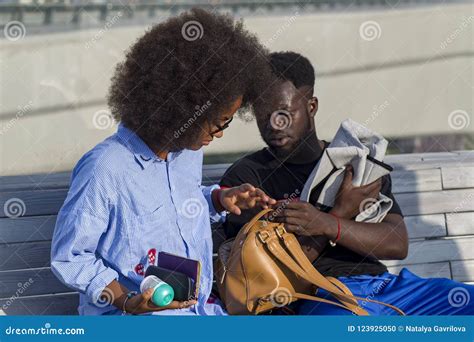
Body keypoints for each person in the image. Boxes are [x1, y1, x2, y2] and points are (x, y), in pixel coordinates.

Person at [51, 8, 277, 316]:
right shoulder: (105, 168)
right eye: (218, 122)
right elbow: (71, 255)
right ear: (184, 107)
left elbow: (171, 205)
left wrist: (218, 199)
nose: (220, 134)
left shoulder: (187, 151)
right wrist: (126, 301)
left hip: (196, 311)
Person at [220, 51, 473, 315]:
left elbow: (397, 243)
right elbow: (260, 281)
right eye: (264, 113)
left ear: (311, 106)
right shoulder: (246, 181)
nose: (274, 124)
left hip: (388, 289)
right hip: (320, 296)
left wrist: (328, 223)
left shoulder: (353, 163)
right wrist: (337, 214)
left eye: (284, 113)